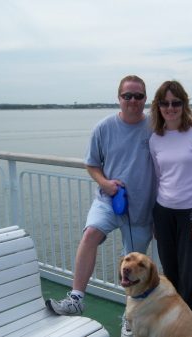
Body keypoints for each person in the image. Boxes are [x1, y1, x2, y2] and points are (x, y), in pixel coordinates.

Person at [46, 75, 156, 337]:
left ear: (145, 99)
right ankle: (76, 299)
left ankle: (129, 319)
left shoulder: (155, 125)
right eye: (127, 95)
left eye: (138, 96)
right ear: (118, 98)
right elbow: (91, 163)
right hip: (109, 200)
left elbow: (180, 128)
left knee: (134, 270)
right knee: (90, 234)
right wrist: (105, 183)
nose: (133, 100)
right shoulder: (104, 127)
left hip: (141, 212)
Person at [149, 80, 192, 314]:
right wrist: (155, 219)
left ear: (184, 104)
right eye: (164, 103)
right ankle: (171, 323)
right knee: (170, 275)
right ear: (157, 106)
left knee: (188, 277)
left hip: (191, 213)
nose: (170, 107)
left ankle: (187, 326)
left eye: (176, 102)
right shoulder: (155, 137)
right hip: (163, 212)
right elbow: (158, 179)